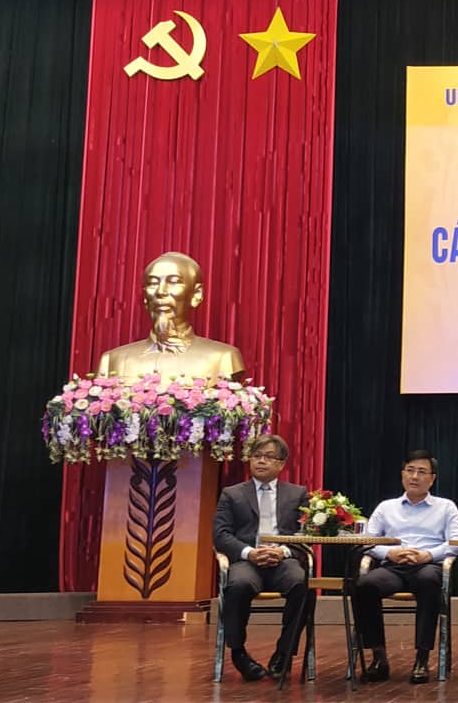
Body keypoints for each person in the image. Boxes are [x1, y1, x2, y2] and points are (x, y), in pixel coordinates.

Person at [354, 449, 458, 684]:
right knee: (365, 585)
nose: (415, 476)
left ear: (432, 479)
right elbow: (367, 540)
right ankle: (378, 657)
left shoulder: (446, 507)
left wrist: (428, 555)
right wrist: (390, 553)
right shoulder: (386, 507)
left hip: (428, 565)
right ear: (402, 474)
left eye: (422, 472)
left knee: (428, 581)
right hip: (393, 567)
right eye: (410, 470)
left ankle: (422, 659)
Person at [211, 434, 314, 682]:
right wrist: (250, 553)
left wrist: (283, 551)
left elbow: (307, 534)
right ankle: (238, 653)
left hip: (284, 560)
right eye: (256, 456)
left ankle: (284, 653)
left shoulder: (297, 494)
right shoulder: (232, 494)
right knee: (237, 585)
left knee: (303, 586)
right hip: (247, 560)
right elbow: (220, 535)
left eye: (268, 457)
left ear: (281, 463)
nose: (261, 461)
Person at [95, 252, 245, 381]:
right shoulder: (112, 360)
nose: (161, 291)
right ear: (145, 297)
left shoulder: (223, 358)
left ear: (196, 294)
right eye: (152, 283)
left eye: (173, 282)